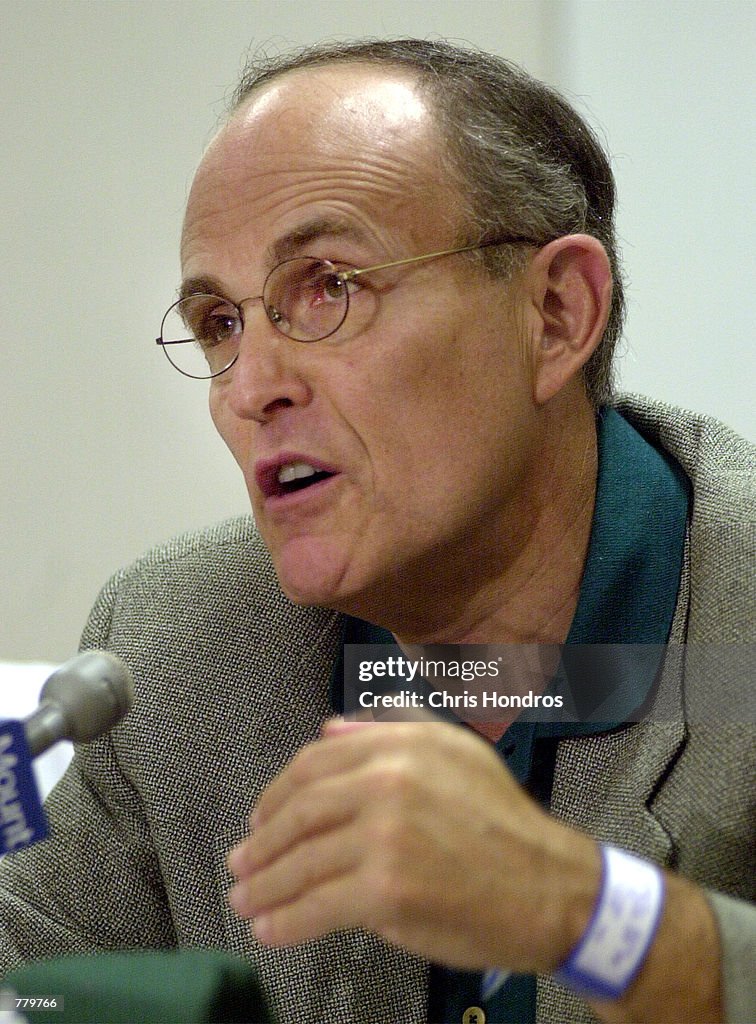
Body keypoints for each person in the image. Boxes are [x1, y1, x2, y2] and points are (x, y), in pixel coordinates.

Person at [1, 38, 753, 1024]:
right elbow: (33, 987)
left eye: (329, 287)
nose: (253, 387)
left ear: (558, 314)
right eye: (221, 323)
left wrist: (588, 914)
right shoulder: (170, 647)